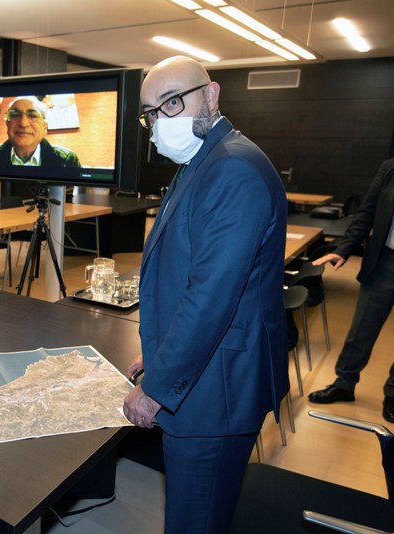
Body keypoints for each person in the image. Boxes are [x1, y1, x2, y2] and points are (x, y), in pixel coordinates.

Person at [122, 56, 288, 533]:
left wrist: (156, 388)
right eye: (151, 112)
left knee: (195, 523)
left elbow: (211, 297)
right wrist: (157, 350)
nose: (161, 121)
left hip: (216, 392)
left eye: (172, 102)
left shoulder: (232, 169)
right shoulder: (202, 160)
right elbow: (189, 272)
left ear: (211, 96)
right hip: (205, 371)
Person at [308, 113, 394, 425]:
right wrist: (343, 249)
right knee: (361, 330)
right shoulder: (393, 168)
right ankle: (344, 384)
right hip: (386, 262)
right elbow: (366, 214)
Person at [0, 96, 81, 167]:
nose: (23, 123)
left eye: (32, 116)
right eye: (14, 115)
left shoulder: (67, 160)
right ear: (7, 124)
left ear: (44, 127)